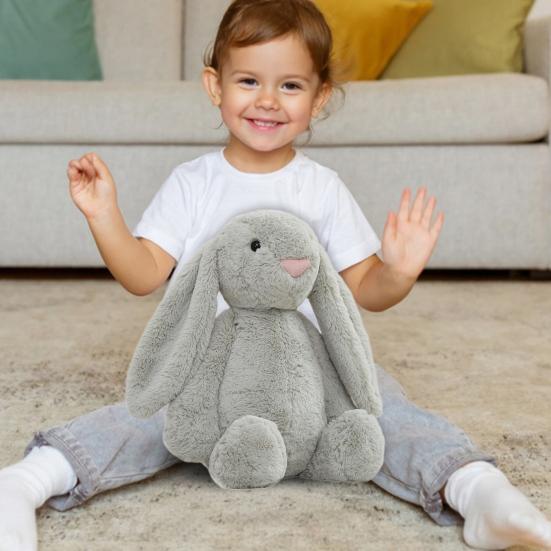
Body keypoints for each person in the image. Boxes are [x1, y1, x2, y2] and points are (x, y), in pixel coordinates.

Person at [1, 1, 550, 549]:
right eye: (248, 81)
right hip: (210, 370)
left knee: (385, 405)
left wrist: (399, 272)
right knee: (143, 413)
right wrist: (104, 217)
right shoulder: (193, 183)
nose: (267, 100)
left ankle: (476, 489)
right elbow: (143, 275)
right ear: (215, 86)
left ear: (320, 97)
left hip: (310, 371)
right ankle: (28, 482)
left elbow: (366, 289)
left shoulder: (322, 187)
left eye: (290, 85)